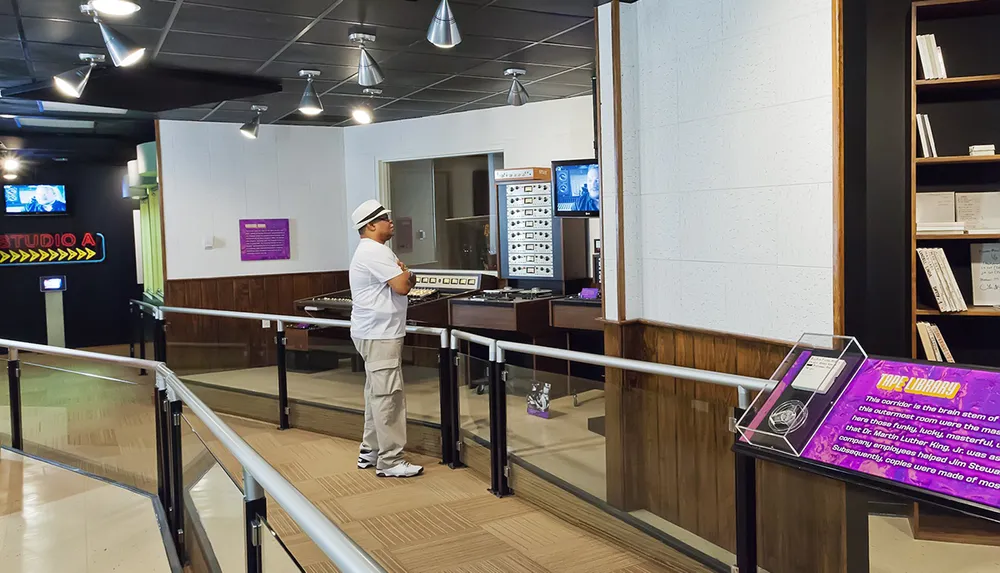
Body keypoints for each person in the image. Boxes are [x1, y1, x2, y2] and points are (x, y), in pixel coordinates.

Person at [349, 199, 423, 478]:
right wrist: (408, 273)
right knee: (389, 396)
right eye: (384, 218)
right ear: (370, 225)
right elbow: (403, 286)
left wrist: (404, 274)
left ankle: (370, 451)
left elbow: (400, 280)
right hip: (380, 334)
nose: (391, 222)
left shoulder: (373, 251)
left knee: (376, 394)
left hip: (374, 332)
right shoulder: (375, 251)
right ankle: (391, 460)